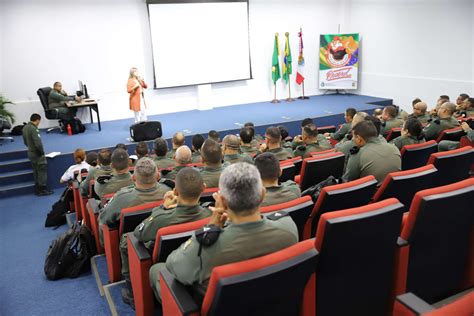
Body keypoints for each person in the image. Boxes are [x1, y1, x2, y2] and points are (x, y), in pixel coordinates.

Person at [149, 162, 298, 304]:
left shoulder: (204, 251)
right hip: (275, 304)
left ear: (223, 202)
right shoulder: (289, 227)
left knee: (157, 269)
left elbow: (173, 265)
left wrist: (210, 227)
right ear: (262, 195)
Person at [120, 167, 212, 307]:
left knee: (127, 240)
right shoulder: (211, 215)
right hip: (201, 268)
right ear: (204, 188)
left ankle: (132, 290)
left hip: (170, 268)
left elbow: (139, 233)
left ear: (175, 191)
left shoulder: (161, 219)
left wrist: (163, 208)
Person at [98, 157, 172, 246]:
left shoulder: (121, 198)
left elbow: (103, 218)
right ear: (158, 176)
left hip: (131, 246)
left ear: (133, 178)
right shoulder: (169, 192)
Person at [22, 113, 52, 196]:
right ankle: (42, 190)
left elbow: (25, 141)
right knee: (42, 172)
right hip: (37, 154)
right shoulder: (34, 129)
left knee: (35, 171)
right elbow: (38, 143)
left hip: (30, 153)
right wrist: (42, 152)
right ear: (37, 120)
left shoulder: (25, 128)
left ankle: (37, 189)